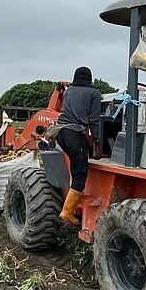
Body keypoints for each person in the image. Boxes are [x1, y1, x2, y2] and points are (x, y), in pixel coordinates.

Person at [55, 66, 102, 225]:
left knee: (76, 165)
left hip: (61, 132)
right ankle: (67, 212)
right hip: (75, 134)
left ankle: (72, 197)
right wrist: (97, 142)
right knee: (80, 173)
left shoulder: (69, 91)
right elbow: (94, 120)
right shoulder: (94, 93)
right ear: (90, 79)